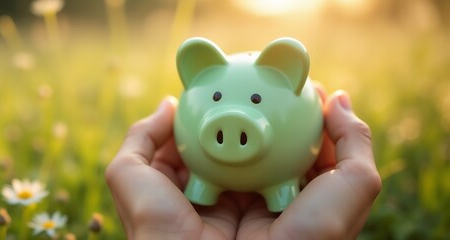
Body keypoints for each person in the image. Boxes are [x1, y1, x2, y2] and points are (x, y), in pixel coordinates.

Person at [105, 86, 382, 240]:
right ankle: (205, 185)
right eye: (216, 97)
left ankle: (278, 190)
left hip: (279, 176)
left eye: (256, 100)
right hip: (203, 172)